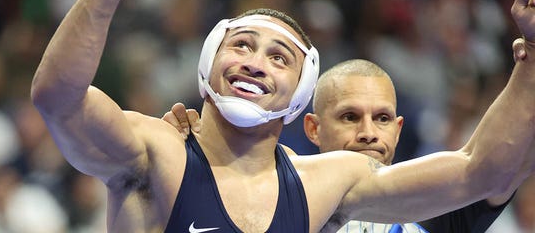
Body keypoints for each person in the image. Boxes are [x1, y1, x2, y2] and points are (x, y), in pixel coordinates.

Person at [30, 0, 535, 232]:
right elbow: (58, 98)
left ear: (301, 93)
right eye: (242, 46)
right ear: (208, 65)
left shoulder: (328, 183)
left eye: (279, 57)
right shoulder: (154, 151)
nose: (254, 61)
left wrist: (532, 49)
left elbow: (480, 171)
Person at [165, 58, 533, 233]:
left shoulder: (437, 202)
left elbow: (501, 163)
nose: (369, 132)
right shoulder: (280, 197)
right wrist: (197, 149)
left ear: (399, 129)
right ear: (313, 127)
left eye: (383, 118)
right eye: (350, 117)